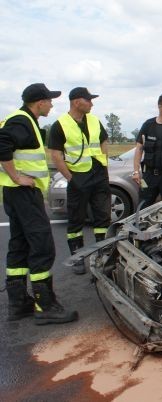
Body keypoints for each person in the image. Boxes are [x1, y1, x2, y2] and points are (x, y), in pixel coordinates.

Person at [0, 83, 78, 324]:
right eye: (49, 100)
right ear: (39, 102)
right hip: (23, 192)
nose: (52, 104)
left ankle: (18, 303)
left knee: (20, 244)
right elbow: (2, 144)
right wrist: (16, 176)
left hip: (16, 194)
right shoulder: (21, 120)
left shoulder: (22, 119)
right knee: (42, 246)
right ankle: (45, 306)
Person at [48, 87, 111, 275]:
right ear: (77, 102)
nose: (92, 103)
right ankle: (77, 258)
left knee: (102, 217)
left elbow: (104, 142)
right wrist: (70, 179)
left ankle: (103, 256)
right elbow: (56, 155)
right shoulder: (60, 125)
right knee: (76, 220)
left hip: (98, 175)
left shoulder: (94, 120)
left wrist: (104, 166)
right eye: (88, 100)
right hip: (78, 177)